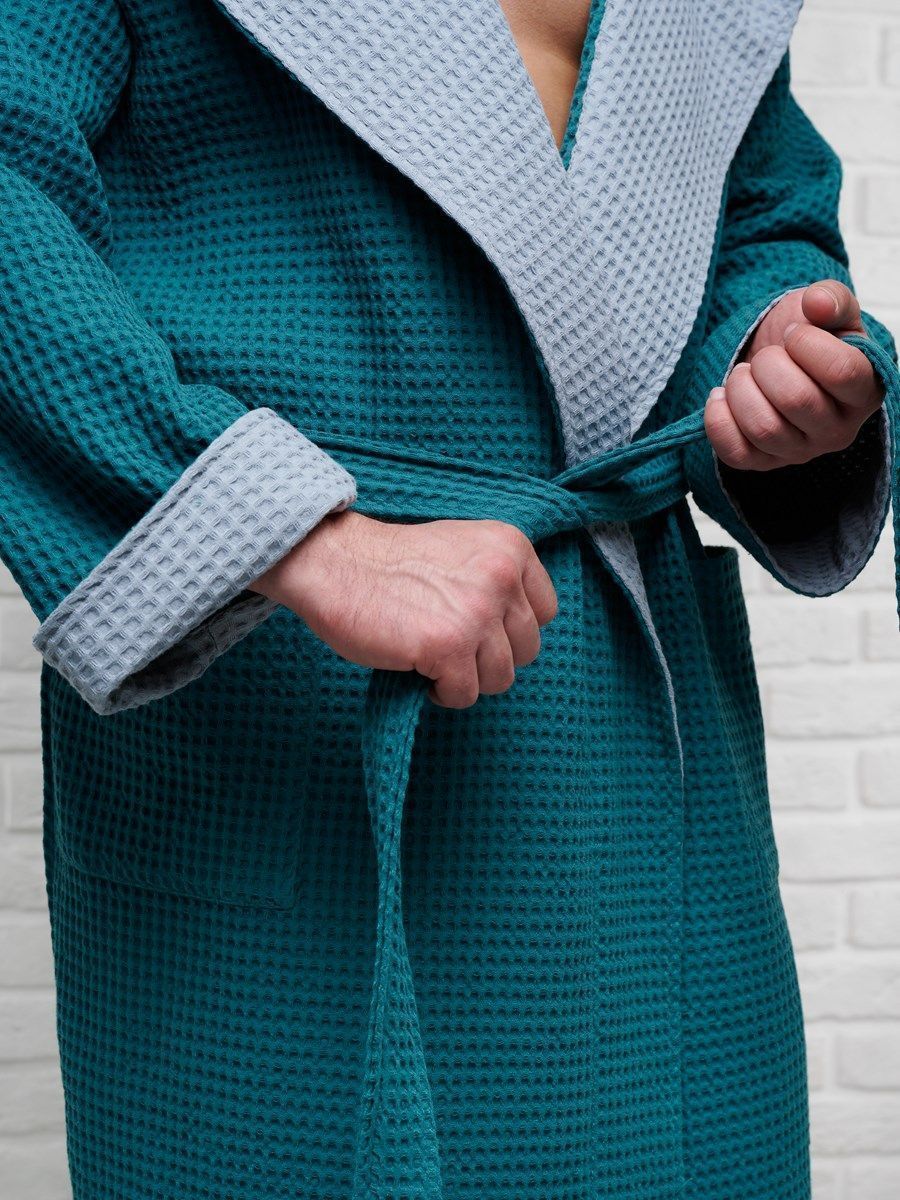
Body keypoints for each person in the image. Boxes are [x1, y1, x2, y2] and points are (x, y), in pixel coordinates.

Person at [0, 1, 897, 1197]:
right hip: (290, 723)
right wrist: (291, 532)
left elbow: (751, 216)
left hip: (640, 754)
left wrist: (767, 359)